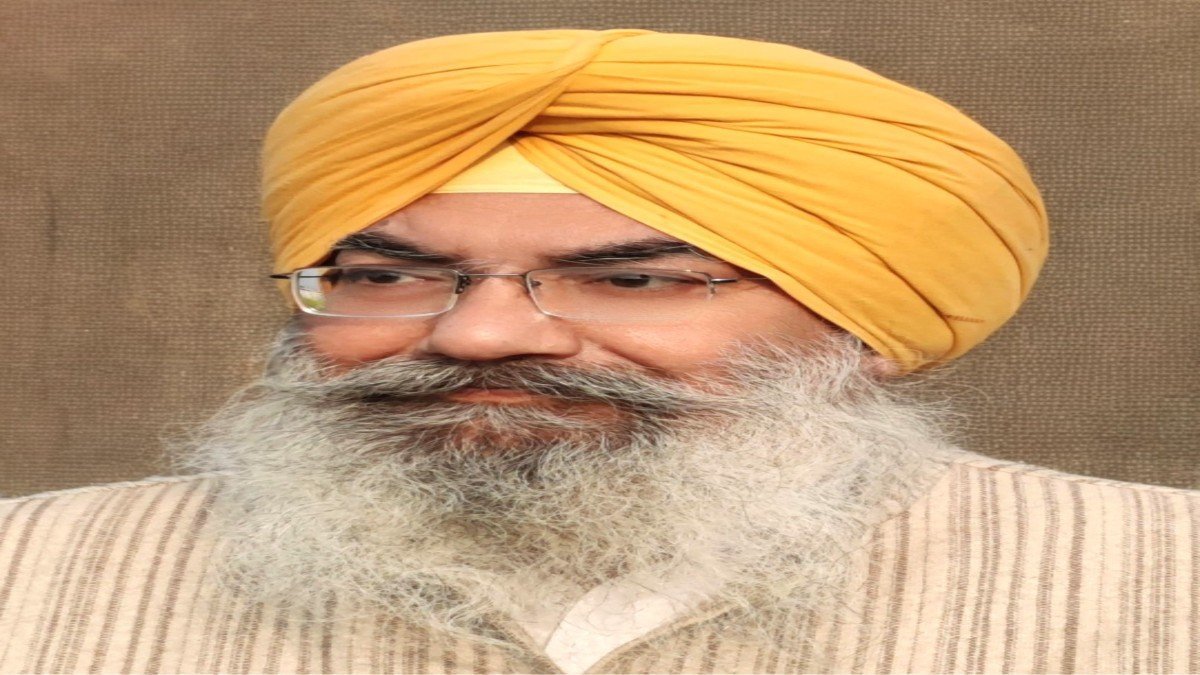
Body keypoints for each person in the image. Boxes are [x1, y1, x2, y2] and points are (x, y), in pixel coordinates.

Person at [0, 29, 1194, 674]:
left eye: (631, 281)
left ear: (866, 324)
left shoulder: (1164, 580)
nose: (478, 334)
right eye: (387, 276)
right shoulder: (24, 573)